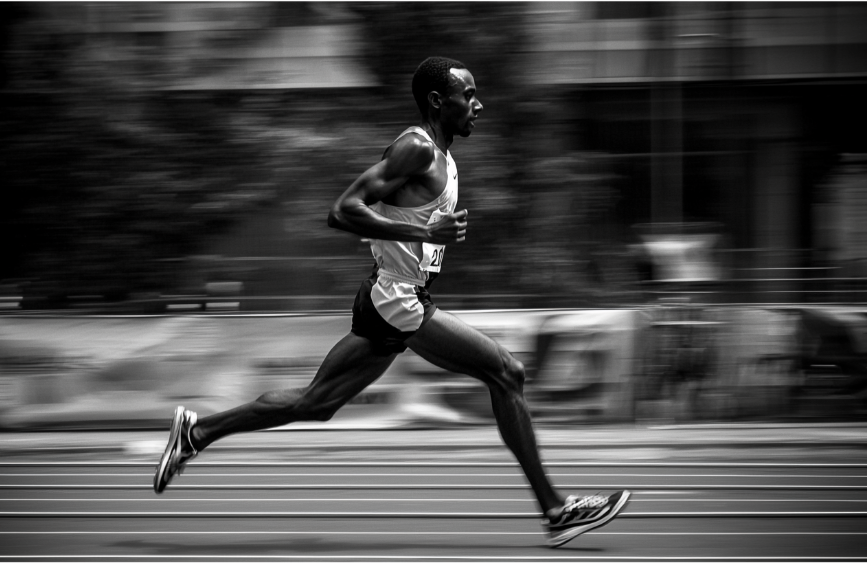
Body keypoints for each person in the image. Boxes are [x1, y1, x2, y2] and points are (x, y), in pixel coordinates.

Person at [153, 56, 630, 547]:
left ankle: (196, 433)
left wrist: (425, 238)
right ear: (438, 102)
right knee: (506, 372)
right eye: (469, 95)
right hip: (398, 298)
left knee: (315, 404)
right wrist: (423, 229)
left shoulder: (442, 156)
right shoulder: (415, 148)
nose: (479, 104)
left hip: (392, 294)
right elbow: (342, 211)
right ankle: (555, 509)